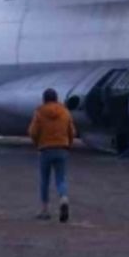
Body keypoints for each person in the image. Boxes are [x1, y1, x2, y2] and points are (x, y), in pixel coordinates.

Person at [28, 88, 76, 222]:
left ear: (44, 99)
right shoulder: (65, 112)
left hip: (45, 149)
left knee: (44, 180)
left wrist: (37, 143)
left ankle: (45, 210)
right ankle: (63, 198)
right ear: (56, 98)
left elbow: (32, 132)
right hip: (62, 148)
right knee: (61, 178)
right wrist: (68, 144)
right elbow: (72, 131)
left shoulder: (39, 113)